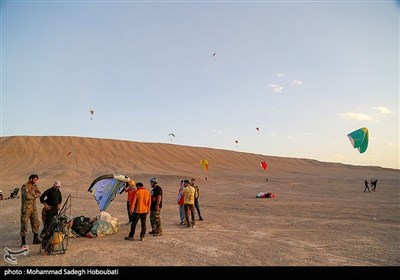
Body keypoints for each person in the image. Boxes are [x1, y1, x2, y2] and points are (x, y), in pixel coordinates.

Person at [20, 174, 42, 246]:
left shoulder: (35, 186)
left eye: (36, 180)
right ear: (30, 179)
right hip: (26, 209)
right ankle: (23, 241)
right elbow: (27, 196)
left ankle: (35, 239)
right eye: (34, 179)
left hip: (33, 209)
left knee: (36, 223)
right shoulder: (24, 186)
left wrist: (34, 196)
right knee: (24, 225)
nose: (35, 181)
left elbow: (39, 193)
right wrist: (35, 196)